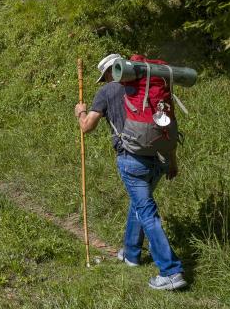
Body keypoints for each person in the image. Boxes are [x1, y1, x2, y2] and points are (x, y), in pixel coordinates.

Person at [74, 54, 187, 291]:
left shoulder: (107, 91)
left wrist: (80, 113)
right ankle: (132, 255)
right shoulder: (147, 85)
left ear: (109, 73)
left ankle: (171, 271)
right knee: (139, 204)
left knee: (146, 212)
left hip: (131, 160)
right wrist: (173, 161)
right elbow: (165, 125)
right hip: (159, 159)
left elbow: (87, 127)